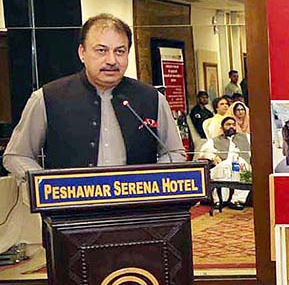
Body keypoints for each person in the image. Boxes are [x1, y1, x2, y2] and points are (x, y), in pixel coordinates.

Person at [3, 13, 184, 180]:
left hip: (137, 201)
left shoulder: (151, 98)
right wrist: (45, 184)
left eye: (120, 51)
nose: (111, 60)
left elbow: (175, 153)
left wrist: (153, 180)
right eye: (101, 51)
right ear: (82, 53)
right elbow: (17, 155)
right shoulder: (48, 97)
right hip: (71, 202)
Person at [198, 116, 250, 210]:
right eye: (228, 124)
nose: (231, 127)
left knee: (242, 169)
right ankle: (219, 200)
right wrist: (214, 157)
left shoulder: (246, 137)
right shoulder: (215, 140)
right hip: (223, 163)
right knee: (223, 168)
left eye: (233, 124)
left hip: (241, 162)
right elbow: (204, 152)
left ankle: (237, 200)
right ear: (222, 128)